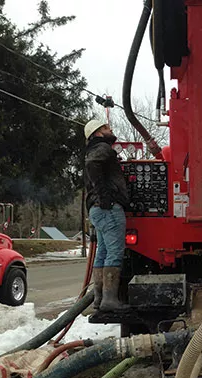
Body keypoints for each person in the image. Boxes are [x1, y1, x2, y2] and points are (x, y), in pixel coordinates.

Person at [83, 119, 130, 312]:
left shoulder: (93, 149)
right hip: (107, 208)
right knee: (114, 251)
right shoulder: (101, 148)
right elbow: (93, 164)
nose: (110, 130)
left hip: (97, 209)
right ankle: (110, 299)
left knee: (102, 252)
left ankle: (100, 298)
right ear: (97, 133)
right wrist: (106, 197)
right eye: (106, 128)